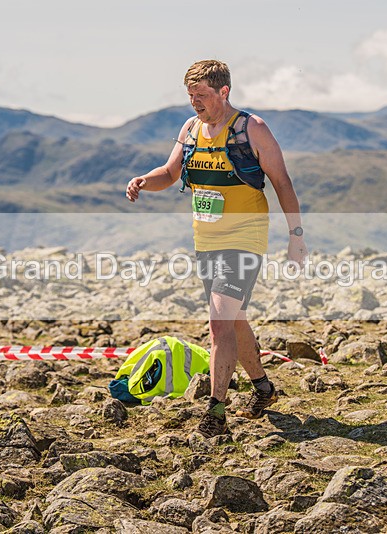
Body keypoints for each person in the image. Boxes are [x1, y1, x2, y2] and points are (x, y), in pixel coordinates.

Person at [125, 60, 308, 438]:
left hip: (245, 237)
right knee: (233, 318)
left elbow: (282, 182)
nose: (195, 103)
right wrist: (144, 180)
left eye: (202, 96)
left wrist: (296, 236)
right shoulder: (191, 128)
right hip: (205, 239)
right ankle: (263, 388)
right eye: (190, 96)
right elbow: (171, 173)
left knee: (219, 322)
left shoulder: (251, 129)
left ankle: (215, 412)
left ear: (224, 91)